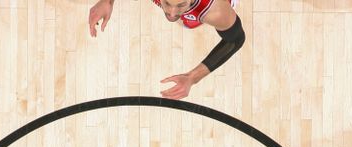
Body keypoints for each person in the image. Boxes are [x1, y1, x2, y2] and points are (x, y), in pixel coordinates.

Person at [88, 0, 245, 100]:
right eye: (167, 3)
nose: (172, 13)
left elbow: (236, 39)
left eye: (181, 4)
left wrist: (193, 77)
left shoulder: (215, 11)